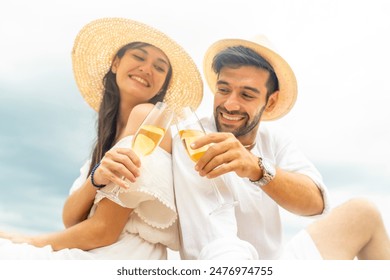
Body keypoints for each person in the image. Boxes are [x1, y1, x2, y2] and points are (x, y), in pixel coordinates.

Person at [0, 17, 203, 260]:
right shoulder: (106, 140)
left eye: (159, 67)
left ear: (162, 86)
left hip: (123, 255)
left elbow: (104, 230)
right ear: (116, 63)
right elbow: (71, 217)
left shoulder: (148, 120)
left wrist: (30, 241)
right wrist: (95, 178)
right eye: (139, 57)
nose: (147, 68)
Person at [172, 36, 330, 260]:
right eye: (224, 90)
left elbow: (317, 203)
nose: (230, 104)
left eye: (246, 95)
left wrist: (256, 168)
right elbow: (217, 241)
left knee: (364, 213)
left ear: (271, 102)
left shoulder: (275, 139)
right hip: (224, 263)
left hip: (277, 262)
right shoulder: (192, 139)